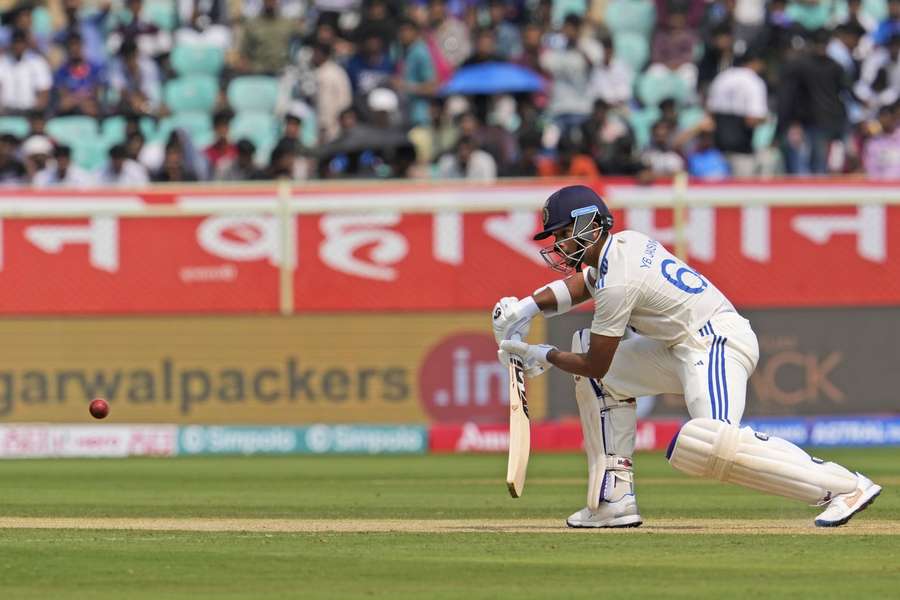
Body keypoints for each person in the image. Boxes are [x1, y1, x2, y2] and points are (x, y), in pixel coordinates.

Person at [492, 185, 882, 528]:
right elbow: (581, 287)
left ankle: (846, 486)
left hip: (715, 343)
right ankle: (613, 499)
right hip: (679, 347)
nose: (558, 245)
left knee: (709, 442)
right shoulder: (622, 246)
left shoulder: (619, 281)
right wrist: (525, 309)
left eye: (563, 234)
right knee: (597, 374)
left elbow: (598, 361)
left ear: (589, 225)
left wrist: (542, 353)